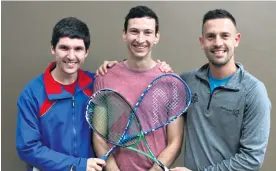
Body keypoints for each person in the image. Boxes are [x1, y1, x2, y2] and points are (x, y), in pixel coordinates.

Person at [170, 9, 271, 171]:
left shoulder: (254, 92)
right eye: (211, 36)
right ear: (202, 42)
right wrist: (116, 67)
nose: (217, 43)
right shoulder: (187, 82)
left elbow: (251, 159)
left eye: (225, 36)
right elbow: (154, 85)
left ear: (236, 39)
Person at [92, 5, 184, 171]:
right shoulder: (104, 77)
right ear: (124, 35)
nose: (140, 39)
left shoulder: (171, 81)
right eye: (134, 31)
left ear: (157, 37)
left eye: (148, 32)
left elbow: (175, 141)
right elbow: (98, 136)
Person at [15, 17, 109, 171]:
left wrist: (115, 69)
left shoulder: (96, 84)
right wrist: (78, 165)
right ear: (53, 48)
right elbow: (28, 148)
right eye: (64, 48)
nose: (71, 56)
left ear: (86, 52)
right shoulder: (32, 94)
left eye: (78, 49)